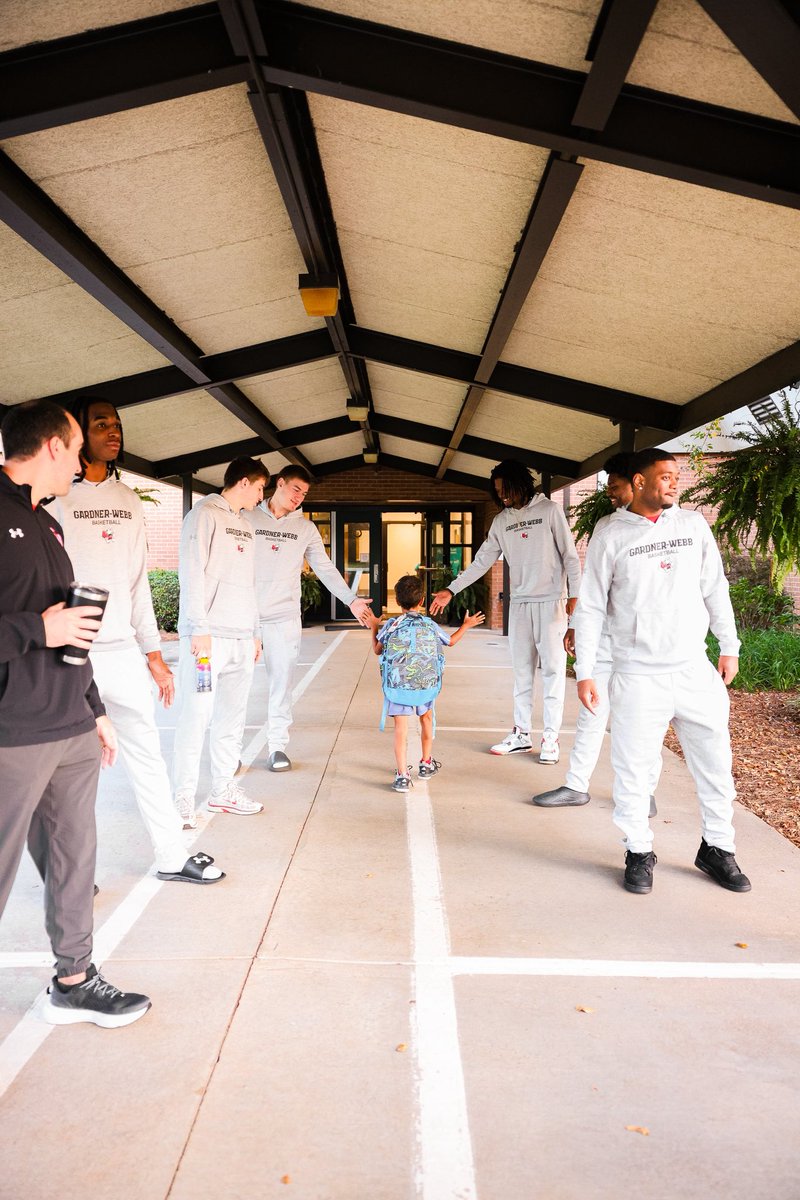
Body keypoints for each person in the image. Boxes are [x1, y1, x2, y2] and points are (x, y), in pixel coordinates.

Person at [0, 399, 151, 1027]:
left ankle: (74, 978)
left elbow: (74, 629)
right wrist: (37, 627)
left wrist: (94, 709)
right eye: (77, 444)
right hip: (12, 734)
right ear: (56, 447)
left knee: (74, 857)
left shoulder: (51, 524)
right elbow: (50, 625)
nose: (84, 457)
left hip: (69, 726)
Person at [50, 397, 224, 883]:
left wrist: (154, 657)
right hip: (69, 658)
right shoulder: (57, 498)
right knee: (71, 769)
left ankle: (172, 856)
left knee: (147, 755)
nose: (114, 431)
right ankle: (70, 875)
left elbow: (137, 584)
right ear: (80, 435)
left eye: (117, 423)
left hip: (122, 653)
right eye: (101, 424)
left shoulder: (129, 501)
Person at [574, 447, 751, 896]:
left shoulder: (693, 525)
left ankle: (718, 847)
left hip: (693, 669)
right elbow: (592, 605)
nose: (675, 483)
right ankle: (638, 850)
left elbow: (716, 587)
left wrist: (728, 645)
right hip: (637, 675)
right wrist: (587, 670)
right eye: (666, 476)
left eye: (677, 476)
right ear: (637, 481)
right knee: (633, 770)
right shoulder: (609, 533)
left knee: (716, 767)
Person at [431, 459, 580, 764]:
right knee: (522, 672)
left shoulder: (549, 511)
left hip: (551, 602)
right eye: (498, 492)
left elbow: (571, 556)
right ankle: (522, 734)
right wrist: (452, 589)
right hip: (520, 604)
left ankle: (550, 738)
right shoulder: (501, 521)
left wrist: (575, 596)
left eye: (506, 490)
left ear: (521, 484)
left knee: (552, 672)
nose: (502, 496)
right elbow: (482, 561)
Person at [533, 453, 658, 815]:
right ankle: (576, 785)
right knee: (591, 713)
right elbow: (593, 588)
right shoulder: (607, 527)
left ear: (637, 482)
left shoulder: (672, 528)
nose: (610, 494)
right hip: (605, 641)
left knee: (639, 721)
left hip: (642, 648)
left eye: (615, 487)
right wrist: (575, 626)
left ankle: (643, 791)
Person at [245, 465, 372, 772]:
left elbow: (325, 568)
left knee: (282, 683)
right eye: (295, 490)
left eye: (304, 494)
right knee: (238, 684)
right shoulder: (246, 516)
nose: (299, 498)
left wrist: (352, 601)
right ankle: (230, 749)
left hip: (284, 617)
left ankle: (277, 746)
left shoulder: (305, 529)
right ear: (279, 483)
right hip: (245, 616)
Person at [172, 456, 268, 827]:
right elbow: (192, 571)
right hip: (208, 641)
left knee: (232, 718)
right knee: (196, 716)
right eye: (260, 488)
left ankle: (222, 791)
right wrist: (199, 629)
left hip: (242, 639)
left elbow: (250, 581)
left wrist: (256, 631)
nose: (262, 496)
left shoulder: (246, 525)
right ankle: (182, 798)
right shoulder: (204, 515)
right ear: (243, 483)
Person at [369, 573, 485, 792]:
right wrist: (467, 625)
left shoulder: (393, 624)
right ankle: (425, 763)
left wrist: (374, 626)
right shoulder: (429, 624)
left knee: (400, 730)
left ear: (397, 601)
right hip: (425, 683)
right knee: (427, 719)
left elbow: (377, 649)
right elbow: (450, 641)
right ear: (422, 601)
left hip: (398, 684)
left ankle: (402, 776)